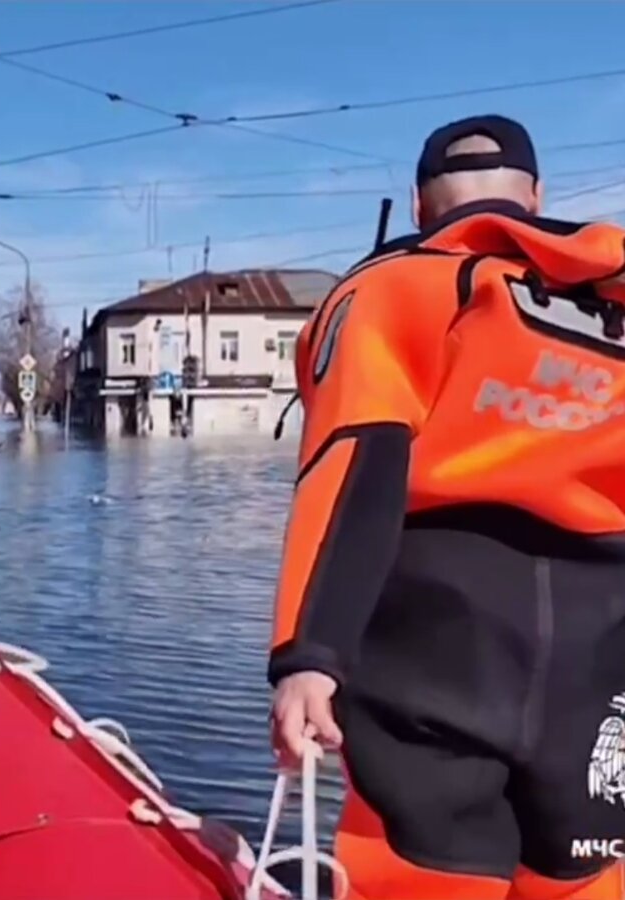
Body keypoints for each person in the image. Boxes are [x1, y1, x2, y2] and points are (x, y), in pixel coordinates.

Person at [268, 114, 625, 900]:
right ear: (534, 197)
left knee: (424, 878)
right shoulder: (613, 302)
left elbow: (355, 463)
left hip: (435, 648)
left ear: (422, 207)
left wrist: (308, 658)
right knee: (586, 878)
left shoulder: (395, 288)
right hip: (602, 651)